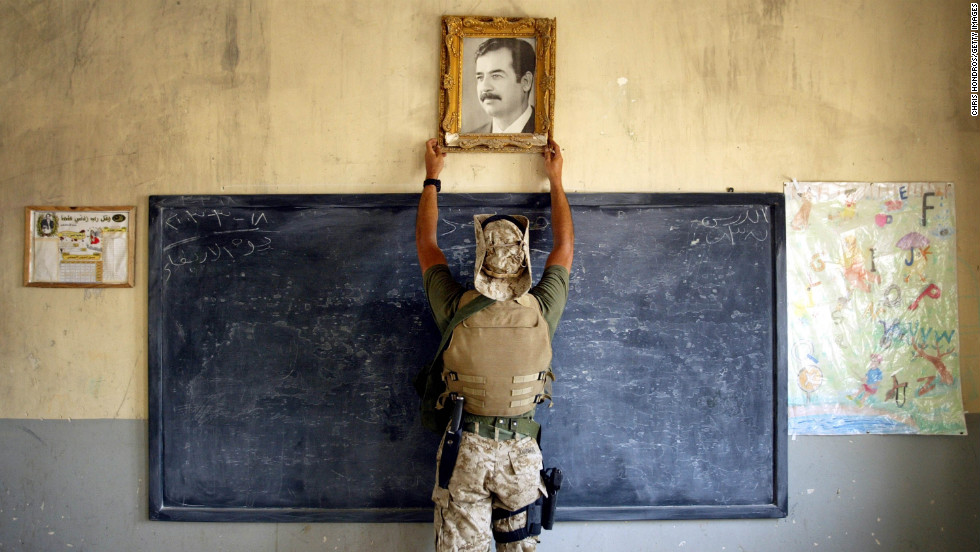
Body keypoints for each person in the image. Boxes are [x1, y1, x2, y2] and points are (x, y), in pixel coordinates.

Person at [415, 137, 573, 551]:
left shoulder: (454, 306)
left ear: (480, 255)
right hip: (522, 457)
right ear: (524, 259)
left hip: (464, 452)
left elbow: (427, 246)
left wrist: (432, 177)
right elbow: (564, 247)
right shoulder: (543, 308)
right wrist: (555, 179)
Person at [464, 38, 537, 134]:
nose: (485, 87)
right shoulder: (468, 139)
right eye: (480, 77)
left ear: (526, 82)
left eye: (496, 76)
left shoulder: (548, 135)